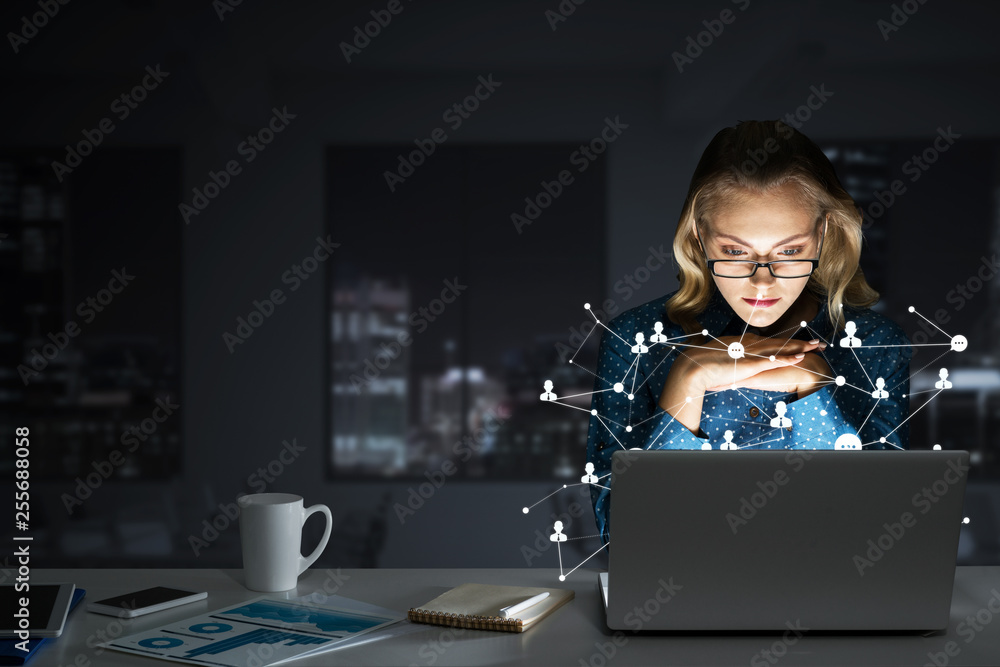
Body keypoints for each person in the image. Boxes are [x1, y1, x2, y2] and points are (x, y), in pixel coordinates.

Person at [586, 120, 912, 546]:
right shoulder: (635, 337)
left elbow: (875, 534)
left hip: (830, 609)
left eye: (790, 251)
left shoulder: (876, 345)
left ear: (824, 234)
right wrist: (688, 378)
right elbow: (626, 538)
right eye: (735, 251)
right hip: (674, 606)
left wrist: (812, 385)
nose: (763, 282)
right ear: (700, 236)